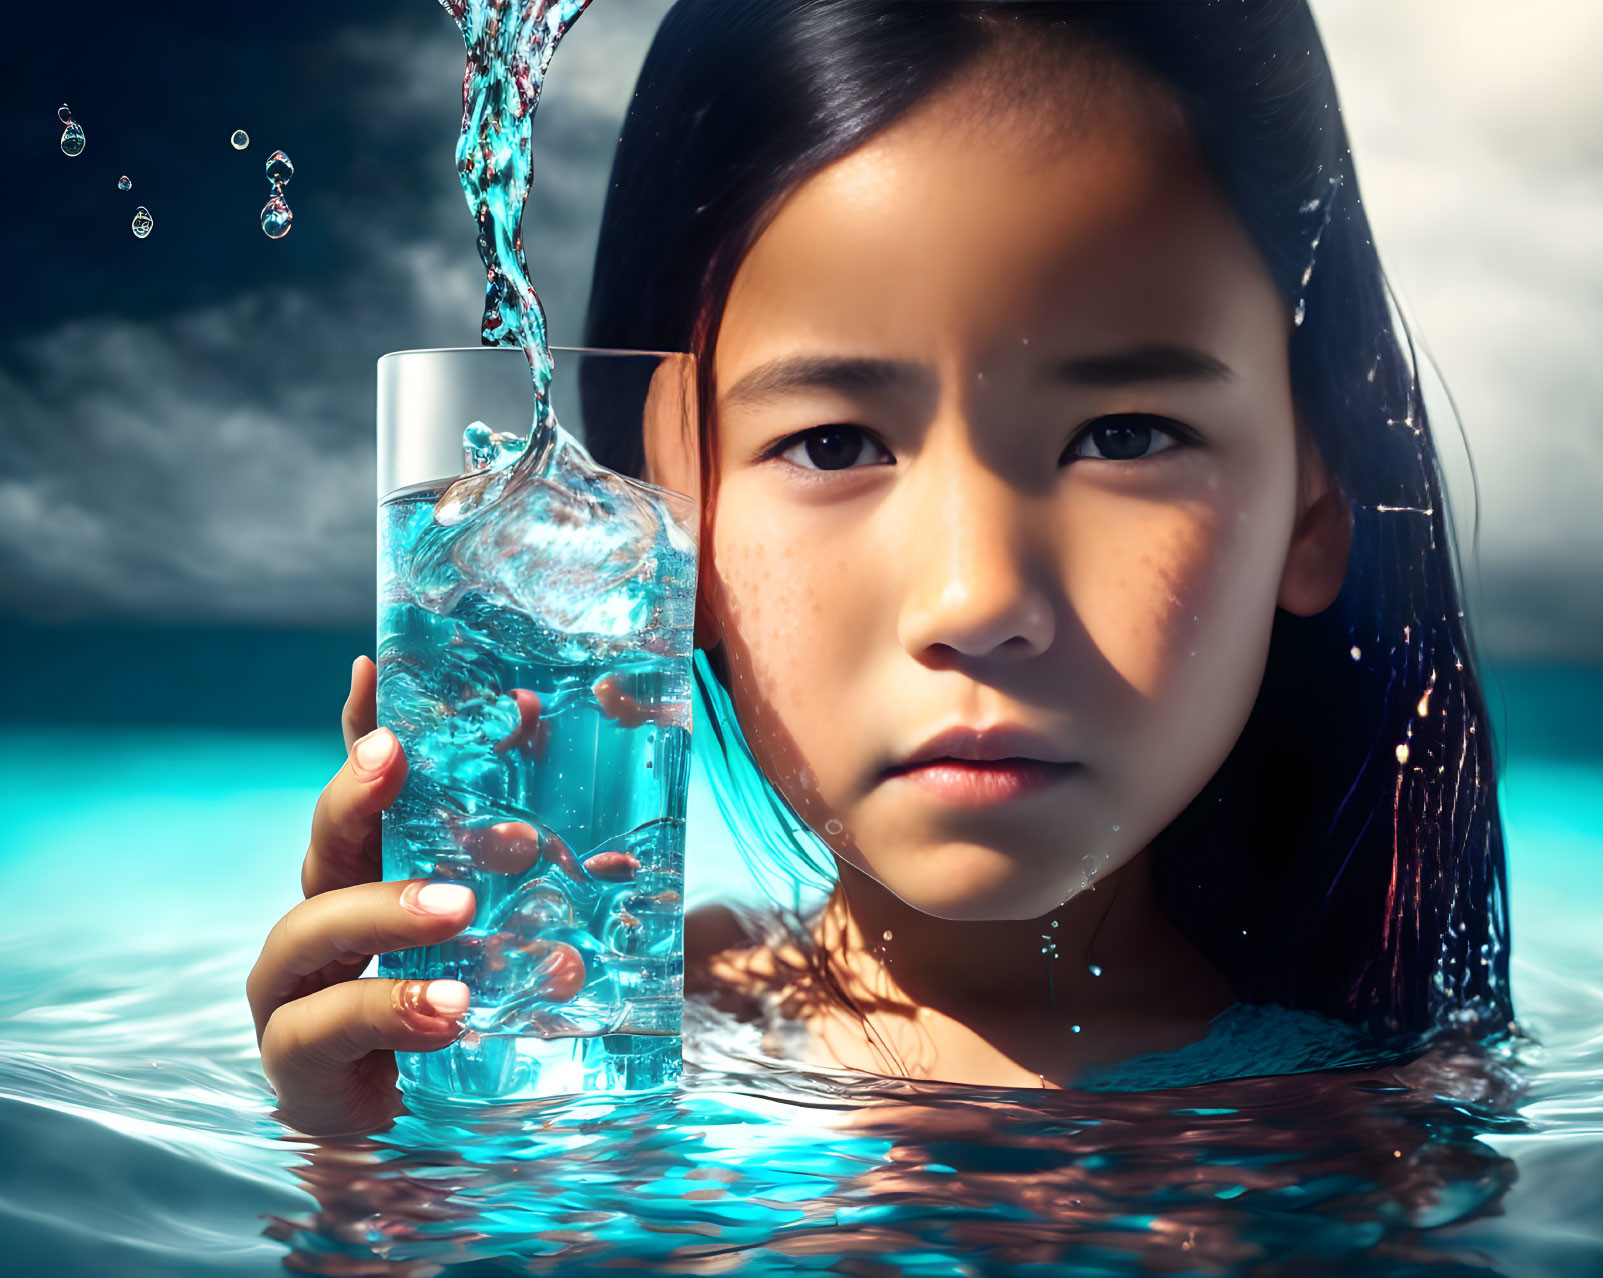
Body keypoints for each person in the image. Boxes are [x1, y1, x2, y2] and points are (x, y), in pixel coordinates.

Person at [247, 0, 1512, 1138]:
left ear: (1313, 501)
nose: (973, 601)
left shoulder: (1389, 1109)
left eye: (1122, 437)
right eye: (832, 444)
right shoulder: (569, 1035)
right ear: (653, 517)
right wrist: (382, 1175)